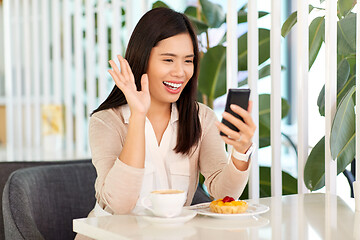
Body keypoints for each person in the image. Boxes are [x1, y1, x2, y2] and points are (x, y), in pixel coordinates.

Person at [84, 6, 255, 221]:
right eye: (168, 60)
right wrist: (138, 116)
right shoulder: (107, 122)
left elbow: (223, 194)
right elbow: (119, 204)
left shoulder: (200, 118)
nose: (180, 72)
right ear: (142, 58)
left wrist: (240, 152)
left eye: (188, 60)